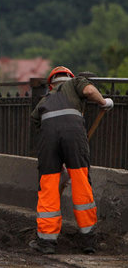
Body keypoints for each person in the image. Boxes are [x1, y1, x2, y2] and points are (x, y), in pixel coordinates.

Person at [29, 66, 113, 255]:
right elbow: (90, 91)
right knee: (81, 182)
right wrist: (103, 102)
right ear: (70, 78)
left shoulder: (45, 99)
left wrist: (53, 150)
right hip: (74, 135)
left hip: (47, 137)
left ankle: (46, 242)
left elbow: (35, 121)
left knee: (48, 186)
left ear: (51, 85)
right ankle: (89, 240)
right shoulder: (76, 83)